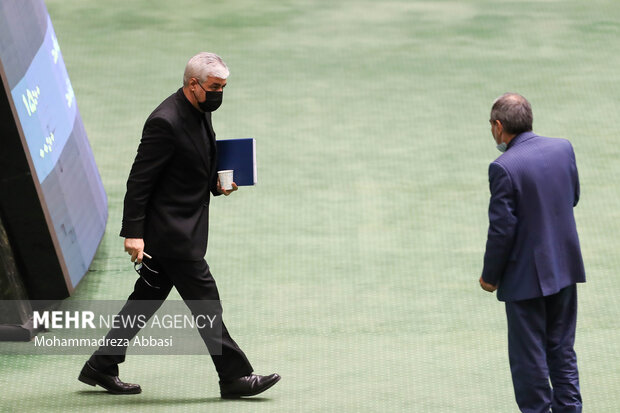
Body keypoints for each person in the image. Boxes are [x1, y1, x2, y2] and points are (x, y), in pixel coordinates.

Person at [78, 52, 280, 398]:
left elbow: (191, 165)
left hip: (184, 225)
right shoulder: (165, 122)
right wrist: (133, 233)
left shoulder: (199, 110)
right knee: (206, 303)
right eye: (215, 87)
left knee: (145, 300)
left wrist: (216, 184)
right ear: (193, 84)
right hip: (171, 234)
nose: (219, 93)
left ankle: (101, 364)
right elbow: (139, 181)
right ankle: (234, 377)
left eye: (223, 87)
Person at [479, 93, 585, 413]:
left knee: (529, 360)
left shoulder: (503, 167)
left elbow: (501, 231)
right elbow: (572, 197)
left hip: (525, 281)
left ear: (499, 126)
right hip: (565, 268)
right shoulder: (563, 148)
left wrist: (490, 277)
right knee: (562, 350)